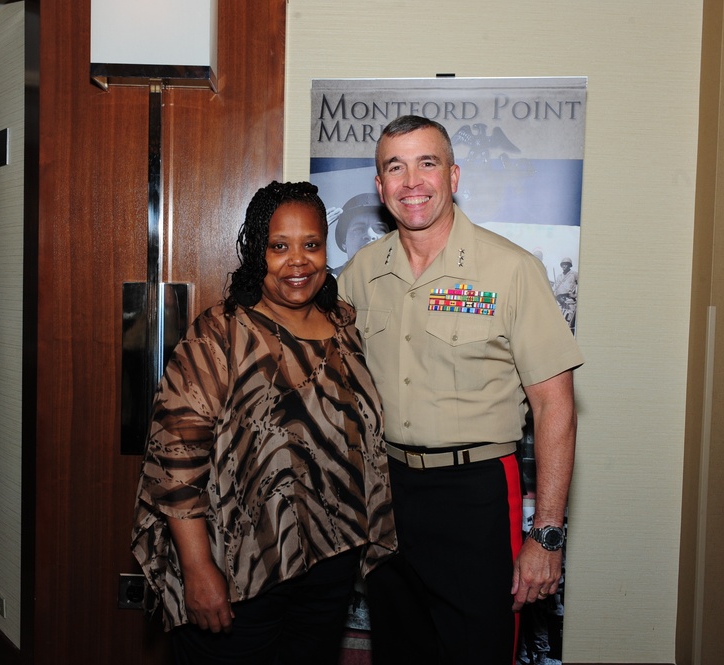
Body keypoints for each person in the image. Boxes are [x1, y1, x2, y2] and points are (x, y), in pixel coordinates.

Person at [338, 116, 583, 665]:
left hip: (475, 495)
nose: (411, 181)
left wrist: (546, 536)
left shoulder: (512, 271)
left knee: (480, 651)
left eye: (426, 163)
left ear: (453, 176)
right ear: (379, 187)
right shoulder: (358, 275)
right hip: (388, 499)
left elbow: (555, 407)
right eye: (394, 167)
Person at [132, 181, 397, 665]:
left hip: (330, 566)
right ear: (259, 252)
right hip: (238, 570)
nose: (298, 261)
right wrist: (196, 569)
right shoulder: (221, 333)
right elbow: (175, 460)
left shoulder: (343, 323)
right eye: (280, 246)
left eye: (311, 245)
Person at [554, 257, 579, 333]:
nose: (564, 266)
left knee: (569, 323)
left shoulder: (574, 274)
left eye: (566, 264)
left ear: (569, 265)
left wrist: (575, 295)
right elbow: (556, 290)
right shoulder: (559, 276)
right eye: (562, 265)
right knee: (560, 324)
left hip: (570, 302)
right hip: (560, 302)